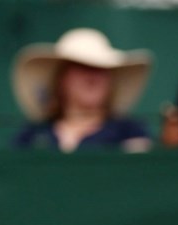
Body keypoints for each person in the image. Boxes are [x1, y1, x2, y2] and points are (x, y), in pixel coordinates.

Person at [12, 28, 153, 152]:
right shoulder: (32, 135)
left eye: (100, 70)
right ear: (61, 79)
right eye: (82, 68)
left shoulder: (129, 133)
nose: (92, 78)